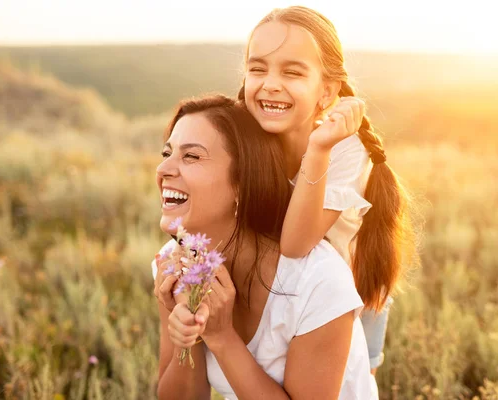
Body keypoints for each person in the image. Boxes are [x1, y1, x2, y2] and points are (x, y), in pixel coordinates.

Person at [153, 95, 378, 399]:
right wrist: (186, 334)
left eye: (191, 156)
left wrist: (221, 337)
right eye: (167, 153)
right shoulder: (175, 265)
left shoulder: (317, 281)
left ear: (242, 183)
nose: (164, 168)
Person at [237, 6, 418, 375]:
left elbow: (296, 243)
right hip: (276, 303)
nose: (270, 83)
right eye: (258, 69)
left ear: (327, 91)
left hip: (345, 305)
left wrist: (319, 149)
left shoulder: (345, 149)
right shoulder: (243, 138)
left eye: (292, 72)